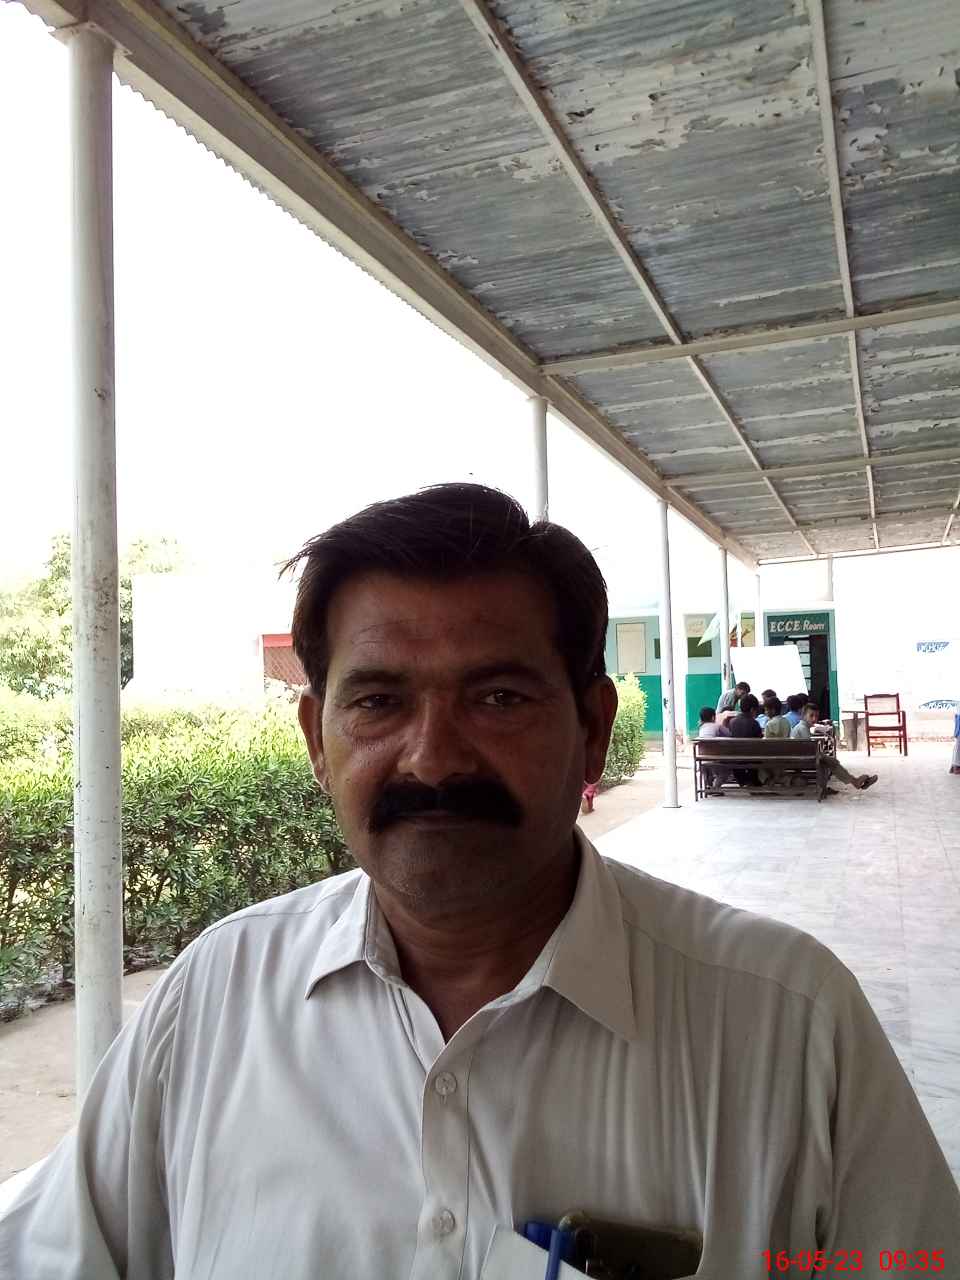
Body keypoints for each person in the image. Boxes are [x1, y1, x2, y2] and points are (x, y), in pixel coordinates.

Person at [2, 483, 956, 1278]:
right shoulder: (212, 1001)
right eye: (378, 701)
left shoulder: (789, 1027)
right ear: (317, 744)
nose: (433, 757)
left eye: (498, 698)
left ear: (592, 729)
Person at [792, 703, 878, 792]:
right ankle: (855, 782)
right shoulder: (802, 728)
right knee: (832, 762)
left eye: (816, 716)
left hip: (802, 758)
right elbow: (810, 748)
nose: (814, 719)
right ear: (803, 716)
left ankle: (854, 781)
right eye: (811, 715)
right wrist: (823, 756)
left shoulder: (801, 727)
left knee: (832, 761)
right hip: (804, 760)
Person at [697, 706, 730, 792]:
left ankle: (708, 786)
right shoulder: (717, 726)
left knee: (708, 772)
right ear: (713, 717)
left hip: (701, 759)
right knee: (725, 772)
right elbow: (729, 734)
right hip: (714, 758)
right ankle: (716, 788)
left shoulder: (701, 727)